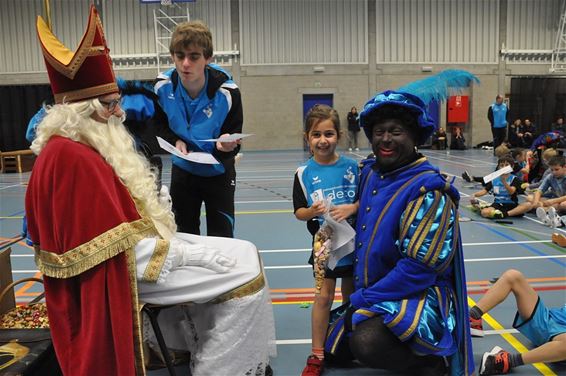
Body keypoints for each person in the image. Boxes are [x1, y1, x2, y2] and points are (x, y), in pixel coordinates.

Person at [26, 6, 275, 375]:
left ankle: (197, 351)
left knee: (244, 250)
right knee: (243, 272)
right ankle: (221, 368)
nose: (119, 114)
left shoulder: (83, 145)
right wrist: (187, 255)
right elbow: (110, 249)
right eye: (110, 105)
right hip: (126, 273)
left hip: (141, 252)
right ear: (84, 110)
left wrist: (150, 206)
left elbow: (112, 223)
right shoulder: (71, 159)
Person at [324, 90, 474, 376]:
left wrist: (361, 300)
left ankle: (429, 366)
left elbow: (419, 270)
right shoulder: (371, 171)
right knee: (334, 351)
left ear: (415, 136)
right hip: (376, 293)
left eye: (396, 131)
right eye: (379, 131)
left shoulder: (429, 191)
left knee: (366, 343)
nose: (385, 139)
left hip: (417, 294)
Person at [123, 21, 243, 238]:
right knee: (184, 236)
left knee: (222, 236)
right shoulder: (162, 85)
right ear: (173, 57)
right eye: (180, 56)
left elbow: (234, 139)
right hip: (183, 172)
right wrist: (174, 140)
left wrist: (225, 146)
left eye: (194, 57)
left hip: (219, 172)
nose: (186, 64)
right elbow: (159, 125)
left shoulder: (228, 92)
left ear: (208, 59)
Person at [293, 104, 359, 376]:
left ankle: (352, 344)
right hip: (325, 246)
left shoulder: (354, 167)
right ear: (307, 138)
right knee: (322, 298)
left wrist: (351, 209)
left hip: (355, 243)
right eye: (316, 135)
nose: (323, 140)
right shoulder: (303, 173)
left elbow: (364, 201)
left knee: (353, 296)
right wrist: (312, 211)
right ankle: (317, 353)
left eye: (329, 134)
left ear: (339, 136)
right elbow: (299, 212)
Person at [469, 269, 566, 375]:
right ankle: (473, 318)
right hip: (548, 318)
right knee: (513, 276)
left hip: (561, 338)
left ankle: (508, 361)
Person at [469, 155, 531, 219]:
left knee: (528, 205)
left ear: (512, 167)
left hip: (511, 205)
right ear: (499, 167)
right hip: (498, 204)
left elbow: (511, 192)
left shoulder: (515, 179)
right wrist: (474, 195)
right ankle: (497, 212)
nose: (504, 167)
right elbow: (485, 191)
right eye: (502, 165)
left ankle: (505, 214)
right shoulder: (494, 179)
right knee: (484, 213)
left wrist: (504, 182)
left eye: (507, 165)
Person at [532, 155, 566, 227]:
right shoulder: (550, 176)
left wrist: (553, 201)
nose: (554, 172)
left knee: (563, 204)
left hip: (561, 201)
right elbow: (539, 191)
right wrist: (536, 202)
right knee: (531, 197)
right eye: (552, 170)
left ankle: (548, 212)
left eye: (556, 169)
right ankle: (548, 212)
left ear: (564, 167)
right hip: (556, 199)